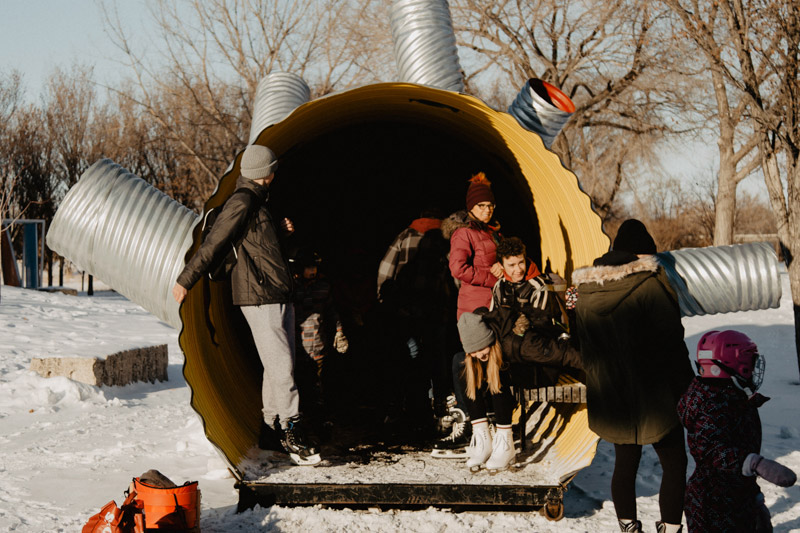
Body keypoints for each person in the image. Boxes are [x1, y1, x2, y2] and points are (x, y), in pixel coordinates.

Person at [171, 144, 320, 466]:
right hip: (259, 297)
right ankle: (293, 431)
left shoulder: (260, 203)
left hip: (278, 294)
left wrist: (281, 233)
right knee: (282, 368)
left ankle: (271, 429)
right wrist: (186, 280)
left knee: (277, 365)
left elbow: (262, 248)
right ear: (268, 171)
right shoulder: (242, 202)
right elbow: (214, 243)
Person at [571, 219, 695, 533]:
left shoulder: (585, 291)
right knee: (674, 462)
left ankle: (628, 527)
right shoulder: (652, 283)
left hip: (613, 395)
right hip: (657, 395)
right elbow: (671, 341)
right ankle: (670, 526)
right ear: (643, 254)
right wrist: (688, 388)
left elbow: (582, 344)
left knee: (625, 464)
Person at [433, 238, 583, 462]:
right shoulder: (499, 286)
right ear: (502, 266)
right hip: (512, 351)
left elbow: (536, 334)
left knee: (498, 367)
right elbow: (494, 326)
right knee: (464, 361)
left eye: (521, 263)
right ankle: (479, 432)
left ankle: (502, 440)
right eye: (511, 265)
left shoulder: (537, 288)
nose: (518, 269)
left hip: (536, 360)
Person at [678, 330, 796, 533]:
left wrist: (754, 498)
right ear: (736, 365)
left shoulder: (730, 397)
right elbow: (712, 450)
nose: (754, 367)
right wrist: (755, 463)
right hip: (713, 506)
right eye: (751, 361)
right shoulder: (711, 404)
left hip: (736, 499)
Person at [289, 247, 348, 433]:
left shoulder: (323, 287)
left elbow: (331, 311)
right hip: (296, 348)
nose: (312, 271)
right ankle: (298, 420)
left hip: (318, 345)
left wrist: (339, 332)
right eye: (308, 267)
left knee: (319, 384)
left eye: (314, 267)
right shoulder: (290, 288)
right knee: (297, 383)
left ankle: (320, 421)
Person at [446, 172, 503, 319]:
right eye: (481, 205)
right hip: (475, 305)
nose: (487, 210)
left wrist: (502, 264)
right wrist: (492, 277)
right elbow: (458, 269)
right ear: (471, 207)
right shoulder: (463, 233)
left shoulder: (493, 232)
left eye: (491, 205)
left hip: (495, 300)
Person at [376, 208, 443, 302]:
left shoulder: (406, 234)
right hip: (431, 299)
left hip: (404, 296)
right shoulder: (445, 239)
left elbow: (387, 266)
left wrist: (382, 294)